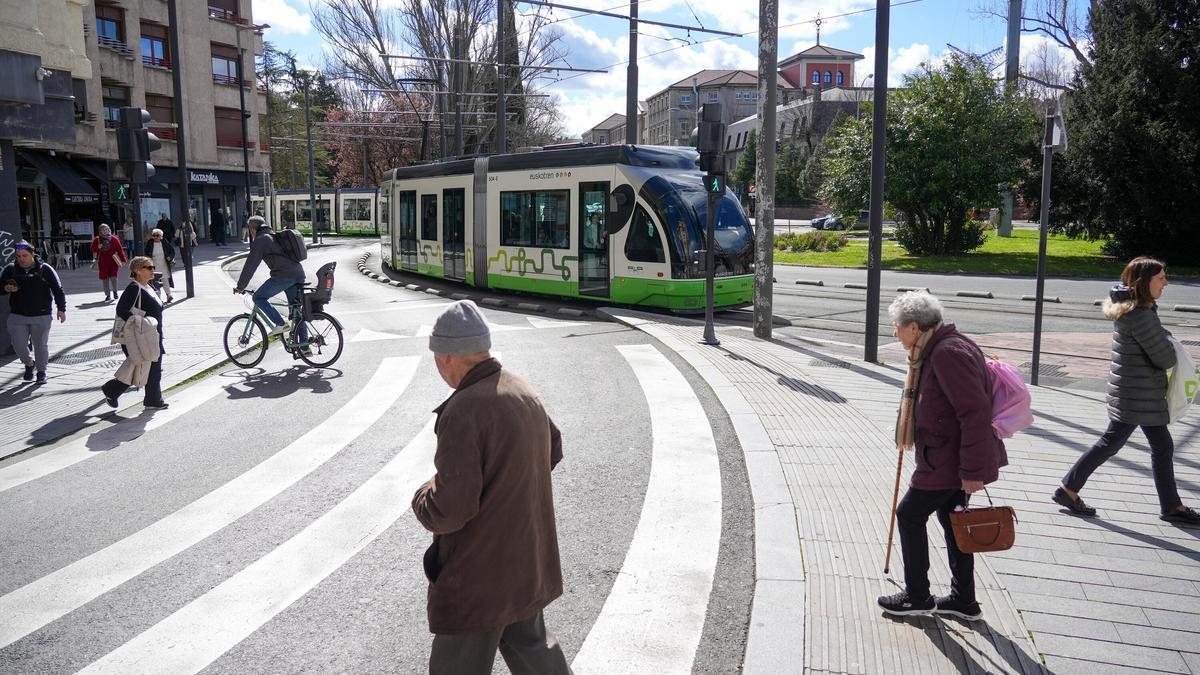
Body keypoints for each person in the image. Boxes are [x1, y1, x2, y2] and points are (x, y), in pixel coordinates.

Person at [412, 300, 571, 674]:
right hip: (525, 560)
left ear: (447, 357)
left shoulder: (464, 410)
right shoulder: (521, 389)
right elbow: (554, 448)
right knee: (535, 651)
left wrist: (422, 496)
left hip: (478, 576)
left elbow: (451, 508)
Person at [877, 291, 1007, 622]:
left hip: (948, 460)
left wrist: (972, 471)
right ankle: (964, 601)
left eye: (897, 326)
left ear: (915, 328)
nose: (895, 333)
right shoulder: (939, 348)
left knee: (908, 515)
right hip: (946, 455)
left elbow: (974, 412)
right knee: (954, 522)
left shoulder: (947, 354)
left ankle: (917, 596)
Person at [1054, 257, 1200, 526]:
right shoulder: (1140, 315)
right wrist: (1171, 345)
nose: (1166, 282)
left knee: (1151, 445)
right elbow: (1165, 359)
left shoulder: (1135, 307)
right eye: (1161, 278)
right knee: (1118, 443)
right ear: (1145, 282)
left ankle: (1171, 505)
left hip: (1135, 391)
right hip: (1138, 394)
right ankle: (1068, 490)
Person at [101, 256, 167, 410]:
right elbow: (121, 309)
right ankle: (152, 399)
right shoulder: (134, 288)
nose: (152, 270)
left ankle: (113, 390)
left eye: (152, 267)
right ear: (137, 270)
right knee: (148, 367)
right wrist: (137, 321)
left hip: (151, 335)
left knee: (142, 367)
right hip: (139, 337)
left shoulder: (150, 287)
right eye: (148, 267)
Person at [1, 241, 66, 384]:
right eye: (18, 256)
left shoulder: (45, 269)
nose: (21, 259)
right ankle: (29, 364)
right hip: (17, 315)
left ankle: (41, 371)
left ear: (33, 254)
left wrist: (61, 308)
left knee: (40, 345)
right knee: (18, 344)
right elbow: (0, 288)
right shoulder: (10, 269)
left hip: (41, 315)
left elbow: (58, 289)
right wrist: (6, 288)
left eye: (24, 255)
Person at [233, 216, 305, 336]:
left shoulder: (261, 240)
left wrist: (241, 286)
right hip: (298, 273)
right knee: (296, 310)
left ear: (252, 229)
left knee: (258, 297)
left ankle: (281, 324)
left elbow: (251, 265)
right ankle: (304, 346)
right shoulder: (274, 236)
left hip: (284, 276)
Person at [90, 224, 127, 302]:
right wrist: (98, 247)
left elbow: (120, 250)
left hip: (113, 261)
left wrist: (123, 259)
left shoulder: (114, 239)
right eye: (103, 230)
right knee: (105, 279)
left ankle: (115, 292)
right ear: (100, 231)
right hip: (102, 262)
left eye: (106, 229)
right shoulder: (97, 239)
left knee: (114, 278)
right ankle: (107, 295)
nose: (105, 231)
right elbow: (92, 249)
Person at [143, 228, 176, 303]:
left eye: (157, 235)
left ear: (161, 236)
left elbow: (172, 251)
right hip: (154, 265)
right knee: (155, 281)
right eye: (154, 235)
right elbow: (146, 252)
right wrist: (148, 258)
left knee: (165, 280)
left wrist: (169, 257)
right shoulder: (150, 243)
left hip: (163, 264)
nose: (155, 237)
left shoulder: (164, 242)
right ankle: (158, 298)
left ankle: (168, 295)